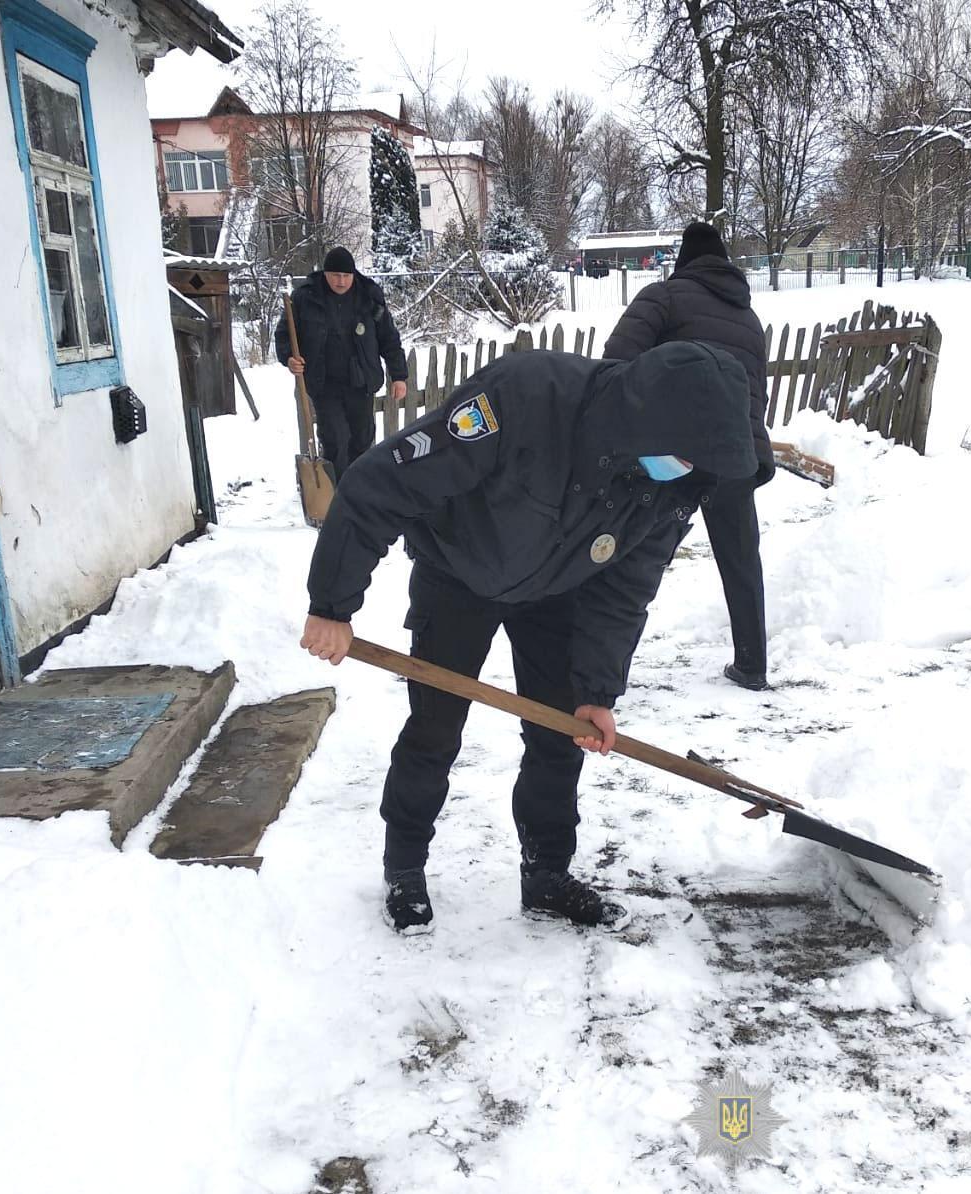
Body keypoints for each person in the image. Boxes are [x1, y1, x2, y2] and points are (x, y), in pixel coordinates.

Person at [299, 342, 755, 934]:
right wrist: (332, 603)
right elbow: (381, 484)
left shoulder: (667, 485)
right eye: (684, 456)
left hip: (558, 587)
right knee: (435, 727)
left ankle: (547, 873)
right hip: (458, 571)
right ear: (648, 421)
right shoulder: (525, 395)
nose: (688, 470)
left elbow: (624, 591)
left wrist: (597, 688)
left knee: (561, 734)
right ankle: (405, 866)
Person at [603, 221, 776, 691]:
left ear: (684, 260)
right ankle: (752, 664)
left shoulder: (664, 297)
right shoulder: (749, 318)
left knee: (629, 560)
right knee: (741, 560)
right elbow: (755, 395)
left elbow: (616, 364)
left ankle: (601, 679)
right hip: (734, 453)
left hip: (671, 453)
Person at [274, 247, 409, 479]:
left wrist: (398, 376)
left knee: (362, 439)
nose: (341, 281)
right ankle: (336, 495)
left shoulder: (368, 296)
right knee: (335, 439)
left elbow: (388, 337)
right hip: (324, 382)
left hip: (360, 382)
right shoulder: (305, 297)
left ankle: (359, 491)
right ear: (325, 273)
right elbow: (284, 334)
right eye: (336, 275)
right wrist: (289, 358)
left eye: (346, 276)